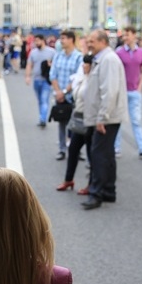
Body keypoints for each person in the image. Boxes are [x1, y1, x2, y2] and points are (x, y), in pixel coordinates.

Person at [81, 30, 127, 210]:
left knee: (99, 155)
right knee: (106, 154)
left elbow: (109, 91)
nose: (89, 44)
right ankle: (108, 191)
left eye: (92, 41)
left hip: (106, 117)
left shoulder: (108, 60)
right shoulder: (101, 59)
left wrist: (102, 117)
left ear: (102, 41)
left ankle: (96, 193)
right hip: (103, 116)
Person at [57, 54, 94, 192]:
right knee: (73, 149)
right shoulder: (82, 78)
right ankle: (68, 180)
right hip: (78, 118)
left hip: (90, 119)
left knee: (91, 154)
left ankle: (92, 184)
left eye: (87, 64)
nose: (84, 66)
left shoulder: (94, 80)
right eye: (83, 64)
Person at [114, 26, 142, 159]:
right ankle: (116, 147)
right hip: (122, 91)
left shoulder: (141, 52)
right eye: (124, 35)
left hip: (134, 91)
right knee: (118, 120)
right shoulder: (119, 52)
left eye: (127, 35)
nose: (125, 37)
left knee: (136, 121)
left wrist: (140, 87)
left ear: (134, 36)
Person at [49, 30, 83, 160]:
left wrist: (64, 92)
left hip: (72, 96)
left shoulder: (78, 57)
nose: (61, 41)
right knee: (62, 123)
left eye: (63, 38)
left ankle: (76, 150)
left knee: (75, 124)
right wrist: (58, 92)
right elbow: (53, 75)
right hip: (59, 96)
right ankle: (62, 149)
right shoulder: (58, 55)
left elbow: (77, 78)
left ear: (71, 40)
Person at [25, 35, 56, 128]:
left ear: (43, 41)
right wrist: (27, 76)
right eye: (35, 41)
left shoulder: (51, 52)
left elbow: (56, 65)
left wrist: (51, 67)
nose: (36, 43)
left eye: (38, 41)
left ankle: (43, 119)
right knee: (40, 100)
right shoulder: (33, 53)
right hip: (36, 79)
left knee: (44, 99)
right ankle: (41, 116)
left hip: (46, 80)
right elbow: (29, 65)